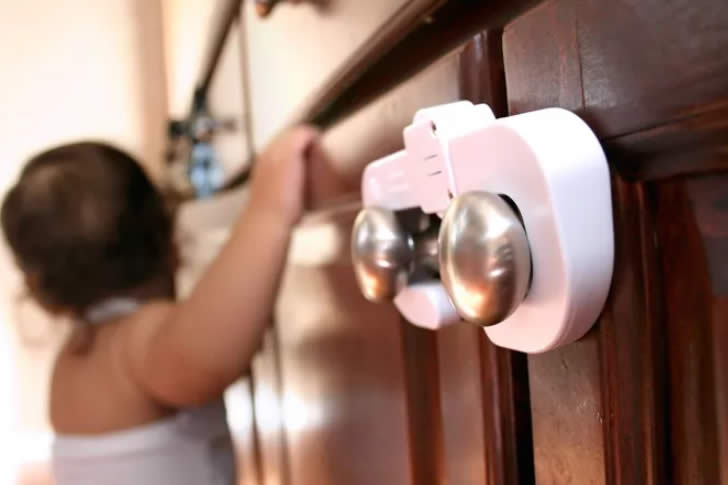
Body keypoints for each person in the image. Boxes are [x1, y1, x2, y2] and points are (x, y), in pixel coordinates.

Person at [1, 126, 319, 485]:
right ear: (169, 235)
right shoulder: (133, 344)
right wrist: (268, 213)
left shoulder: (79, 357)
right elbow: (210, 356)